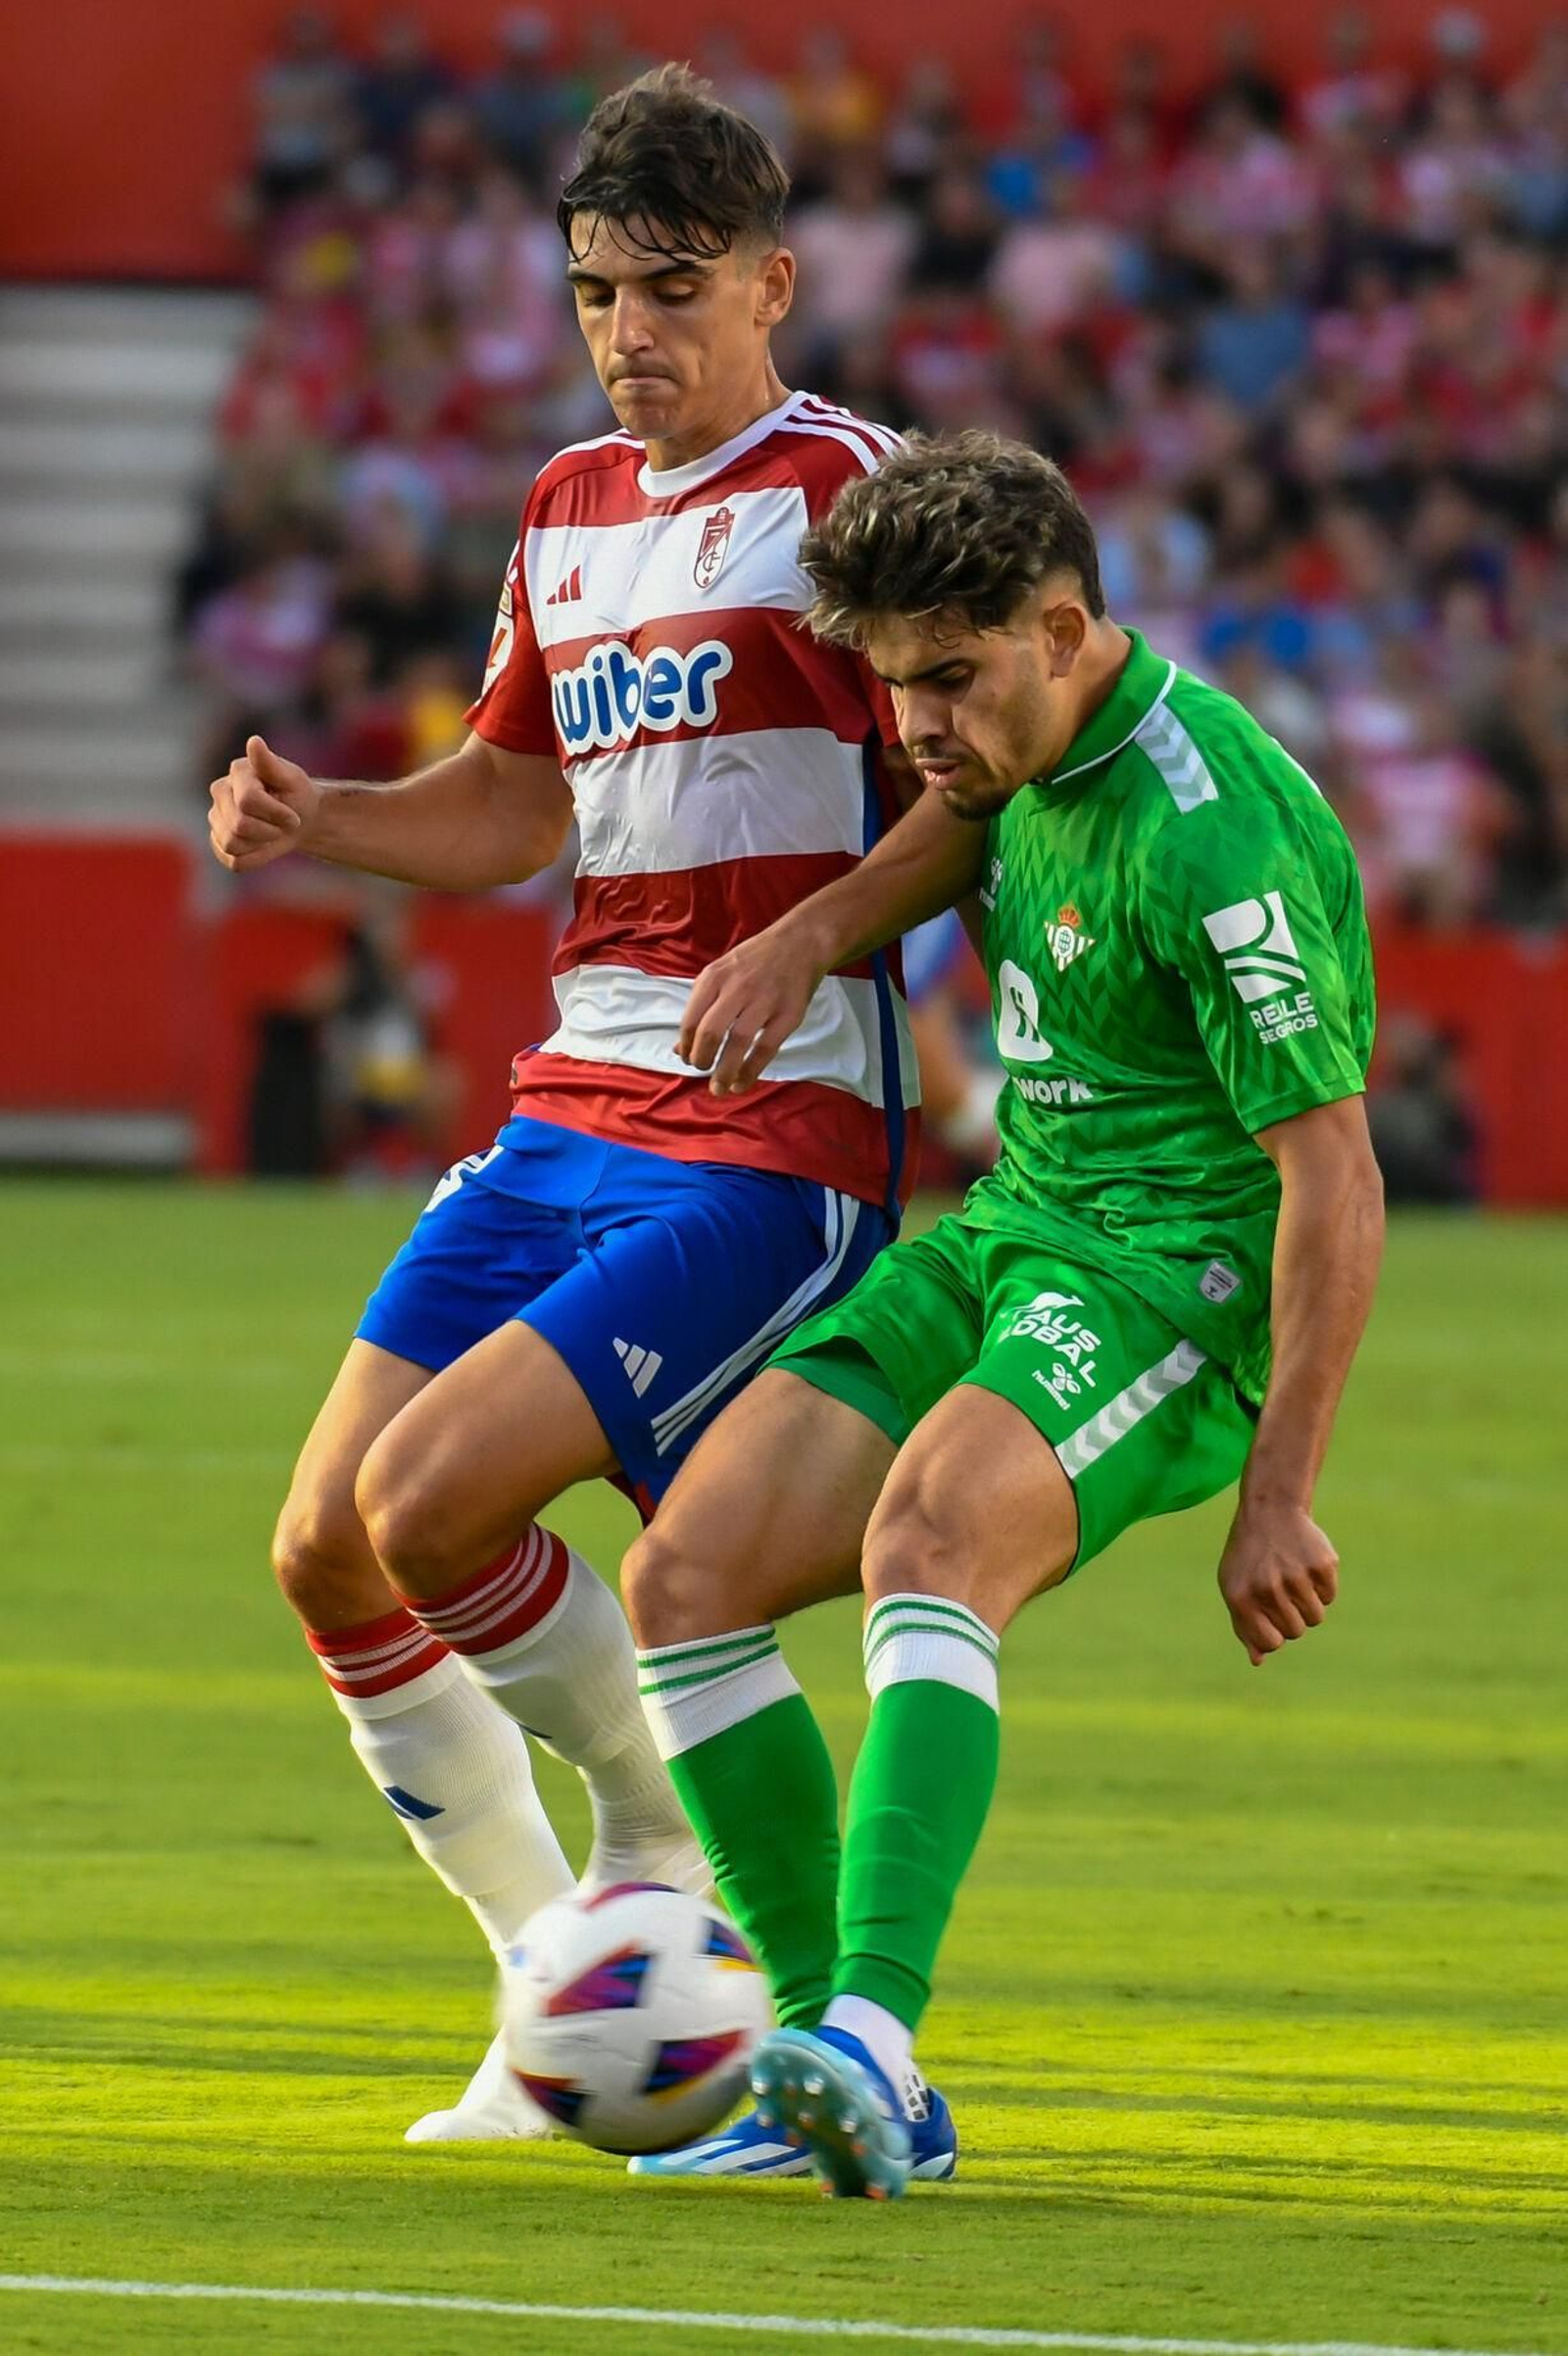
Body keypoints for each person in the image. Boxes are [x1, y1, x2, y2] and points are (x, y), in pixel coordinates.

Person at [208, 66, 948, 2148]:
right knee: (321, 1550)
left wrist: (808, 940)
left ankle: (651, 1866)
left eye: (672, 286)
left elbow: (971, 787)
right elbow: (523, 798)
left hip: (772, 1131)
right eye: (595, 290)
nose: (628, 328)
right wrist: (327, 814)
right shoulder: (563, 509)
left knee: (434, 1504)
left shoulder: (854, 494)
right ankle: (561, 1994)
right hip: (567, 1112)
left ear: (774, 285)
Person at [622, 432, 1384, 2193]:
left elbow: (1335, 1182)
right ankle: (829, 2062)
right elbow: (949, 832)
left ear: (1062, 625)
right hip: (1015, 1226)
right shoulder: (1002, 740)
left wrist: (1280, 1490)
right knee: (687, 1572)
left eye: (949, 682)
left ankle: (871, 2031)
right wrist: (810, 935)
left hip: (1165, 1277)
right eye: (892, 687)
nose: (918, 728)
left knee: (931, 1539)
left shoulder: (1219, 836)